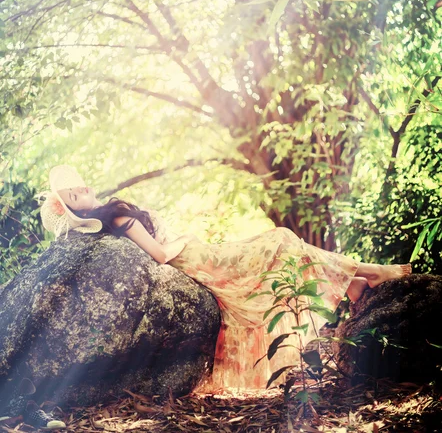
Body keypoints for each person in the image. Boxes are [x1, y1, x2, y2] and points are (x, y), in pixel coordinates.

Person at [39, 165, 412, 393]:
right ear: (74, 207)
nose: (84, 189)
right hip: (197, 260)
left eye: (80, 186)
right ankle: (366, 274)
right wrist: (184, 239)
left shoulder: (113, 213)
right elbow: (160, 254)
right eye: (75, 195)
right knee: (281, 239)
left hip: (202, 257)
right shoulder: (117, 219)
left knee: (283, 242)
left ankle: (356, 280)